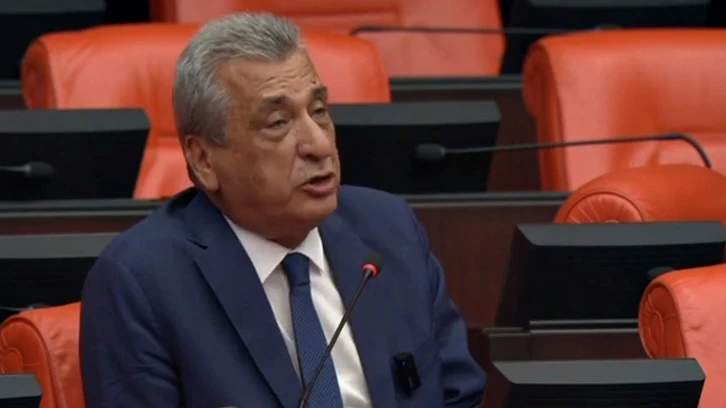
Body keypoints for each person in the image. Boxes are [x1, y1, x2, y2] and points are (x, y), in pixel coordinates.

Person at [80, 12, 486, 408]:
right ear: (204, 160)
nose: (319, 145)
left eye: (319, 112)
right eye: (278, 123)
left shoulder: (389, 230)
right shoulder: (141, 282)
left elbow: (460, 395)